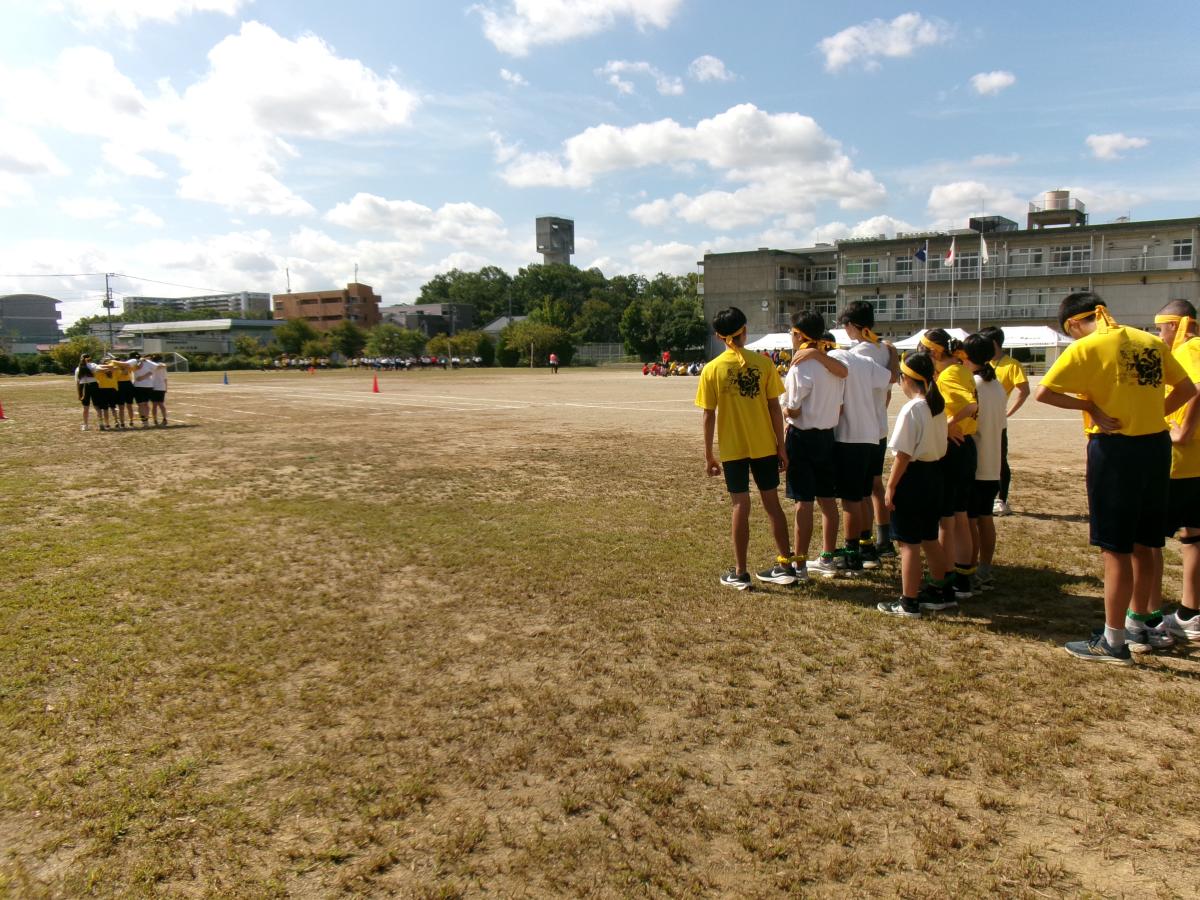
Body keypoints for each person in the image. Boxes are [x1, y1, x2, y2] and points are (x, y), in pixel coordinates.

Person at [1036, 292, 1195, 664]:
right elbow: (1188, 389)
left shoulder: (1086, 347)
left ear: (1074, 323)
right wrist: (1155, 413)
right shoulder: (1150, 341)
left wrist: (1089, 404)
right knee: (1146, 542)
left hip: (1115, 449)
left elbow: (1045, 392)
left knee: (1116, 548)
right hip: (1156, 447)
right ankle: (1141, 624)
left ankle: (1113, 640)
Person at [696, 306, 798, 589]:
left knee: (740, 505)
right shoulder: (764, 364)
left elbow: (708, 414)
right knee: (772, 505)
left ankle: (741, 573)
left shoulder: (712, 369)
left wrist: (708, 455)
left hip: (732, 449)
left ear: (718, 336)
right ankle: (785, 565)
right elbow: (774, 408)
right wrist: (781, 446)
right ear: (745, 330)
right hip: (764, 445)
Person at [877, 352, 949, 617]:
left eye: (901, 378)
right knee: (930, 538)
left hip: (913, 478)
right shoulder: (936, 406)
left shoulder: (913, 408)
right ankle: (939, 591)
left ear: (908, 379)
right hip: (934, 475)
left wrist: (891, 486)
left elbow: (904, 454)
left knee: (908, 544)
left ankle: (909, 602)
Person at [781, 312, 847, 581]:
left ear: (799, 335)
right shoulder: (832, 365)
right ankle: (827, 556)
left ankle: (800, 564)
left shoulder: (800, 366)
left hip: (802, 437)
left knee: (803, 502)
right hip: (826, 437)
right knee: (828, 500)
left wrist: (783, 409)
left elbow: (794, 410)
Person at [917, 330, 978, 608]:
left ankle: (945, 577)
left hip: (953, 450)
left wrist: (947, 426)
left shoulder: (951, 374)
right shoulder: (961, 369)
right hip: (964, 449)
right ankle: (963, 575)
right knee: (960, 514)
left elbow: (970, 404)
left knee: (947, 518)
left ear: (935, 352)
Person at [839, 301, 900, 564]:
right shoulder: (884, 349)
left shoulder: (857, 353)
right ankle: (883, 540)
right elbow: (892, 380)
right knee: (874, 486)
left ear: (853, 326)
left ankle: (862, 544)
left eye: (846, 325)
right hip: (879, 427)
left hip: (858, 428)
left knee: (858, 492)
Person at [827, 331, 893, 574]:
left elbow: (838, 403)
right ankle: (866, 547)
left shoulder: (834, 360)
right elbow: (891, 379)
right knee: (864, 494)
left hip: (848, 436)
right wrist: (892, 353)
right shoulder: (865, 362)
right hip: (872, 435)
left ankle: (851, 553)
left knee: (850, 499)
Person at [1153, 301, 1200, 644]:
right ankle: (1189, 612)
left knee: (1150, 540)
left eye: (1161, 327)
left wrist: (1181, 431)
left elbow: (1195, 388)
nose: (1160, 335)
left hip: (1181, 464)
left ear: (1178, 324)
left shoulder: (1190, 348)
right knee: (1192, 537)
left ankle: (1149, 617)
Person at [963, 333, 1007, 593]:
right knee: (984, 518)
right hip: (993, 461)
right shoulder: (996, 385)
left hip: (975, 461)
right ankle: (985, 569)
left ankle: (968, 571)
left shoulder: (973, 385)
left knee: (969, 520)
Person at [979, 326, 1029, 517]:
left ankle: (1001, 499)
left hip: (997, 422)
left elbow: (1024, 390)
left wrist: (1008, 412)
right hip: (976, 420)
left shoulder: (1011, 364)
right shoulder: (980, 363)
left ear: (993, 344)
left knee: (999, 459)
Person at [91, 358, 120, 430]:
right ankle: (116, 421)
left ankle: (107, 424)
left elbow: (95, 371)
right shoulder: (114, 370)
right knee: (113, 407)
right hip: (112, 390)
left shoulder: (99, 372)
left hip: (102, 390)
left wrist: (104, 369)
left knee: (105, 408)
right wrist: (111, 368)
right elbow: (117, 369)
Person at [75, 353, 98, 431]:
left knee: (85, 408)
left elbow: (77, 382)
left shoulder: (78, 368)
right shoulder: (93, 365)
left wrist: (79, 394)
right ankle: (101, 423)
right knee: (97, 406)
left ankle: (85, 425)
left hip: (83, 387)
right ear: (90, 358)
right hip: (94, 386)